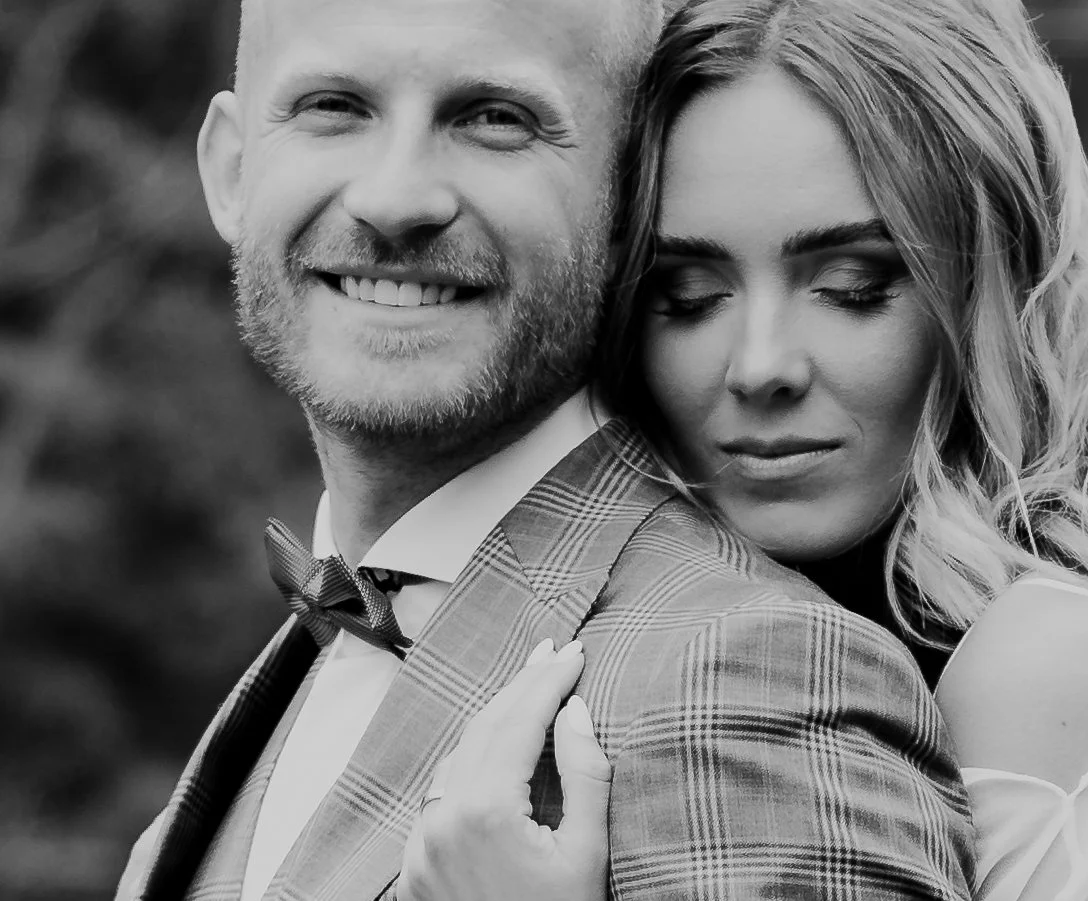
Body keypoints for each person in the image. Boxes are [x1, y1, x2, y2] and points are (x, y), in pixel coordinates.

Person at [400, 0, 1088, 898]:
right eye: (685, 294)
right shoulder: (748, 644)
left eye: (848, 285)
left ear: (989, 286)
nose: (759, 366)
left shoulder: (1045, 660)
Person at [113, 0, 977, 899]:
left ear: (624, 200)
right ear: (230, 168)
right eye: (334, 106)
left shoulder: (748, 679)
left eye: (496, 119)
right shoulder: (308, 661)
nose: (396, 197)